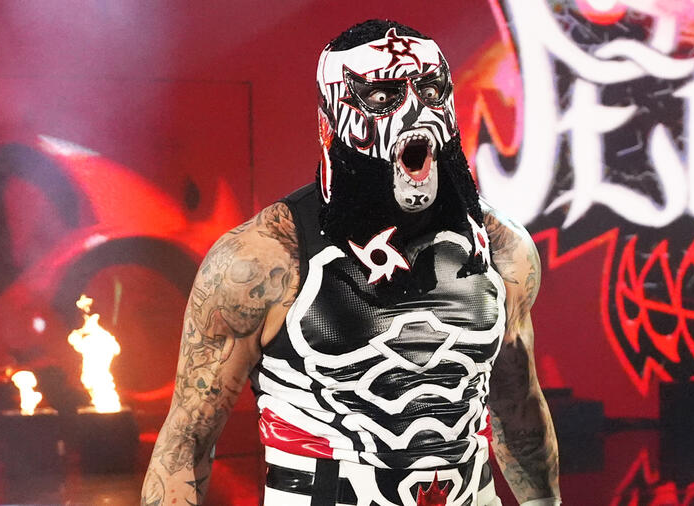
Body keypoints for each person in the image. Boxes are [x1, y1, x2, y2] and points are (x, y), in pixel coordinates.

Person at [142, 19, 560, 506]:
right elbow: (187, 440)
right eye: (382, 96)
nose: (415, 113)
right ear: (331, 121)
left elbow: (518, 404)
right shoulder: (263, 257)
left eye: (430, 90)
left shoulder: (500, 246)